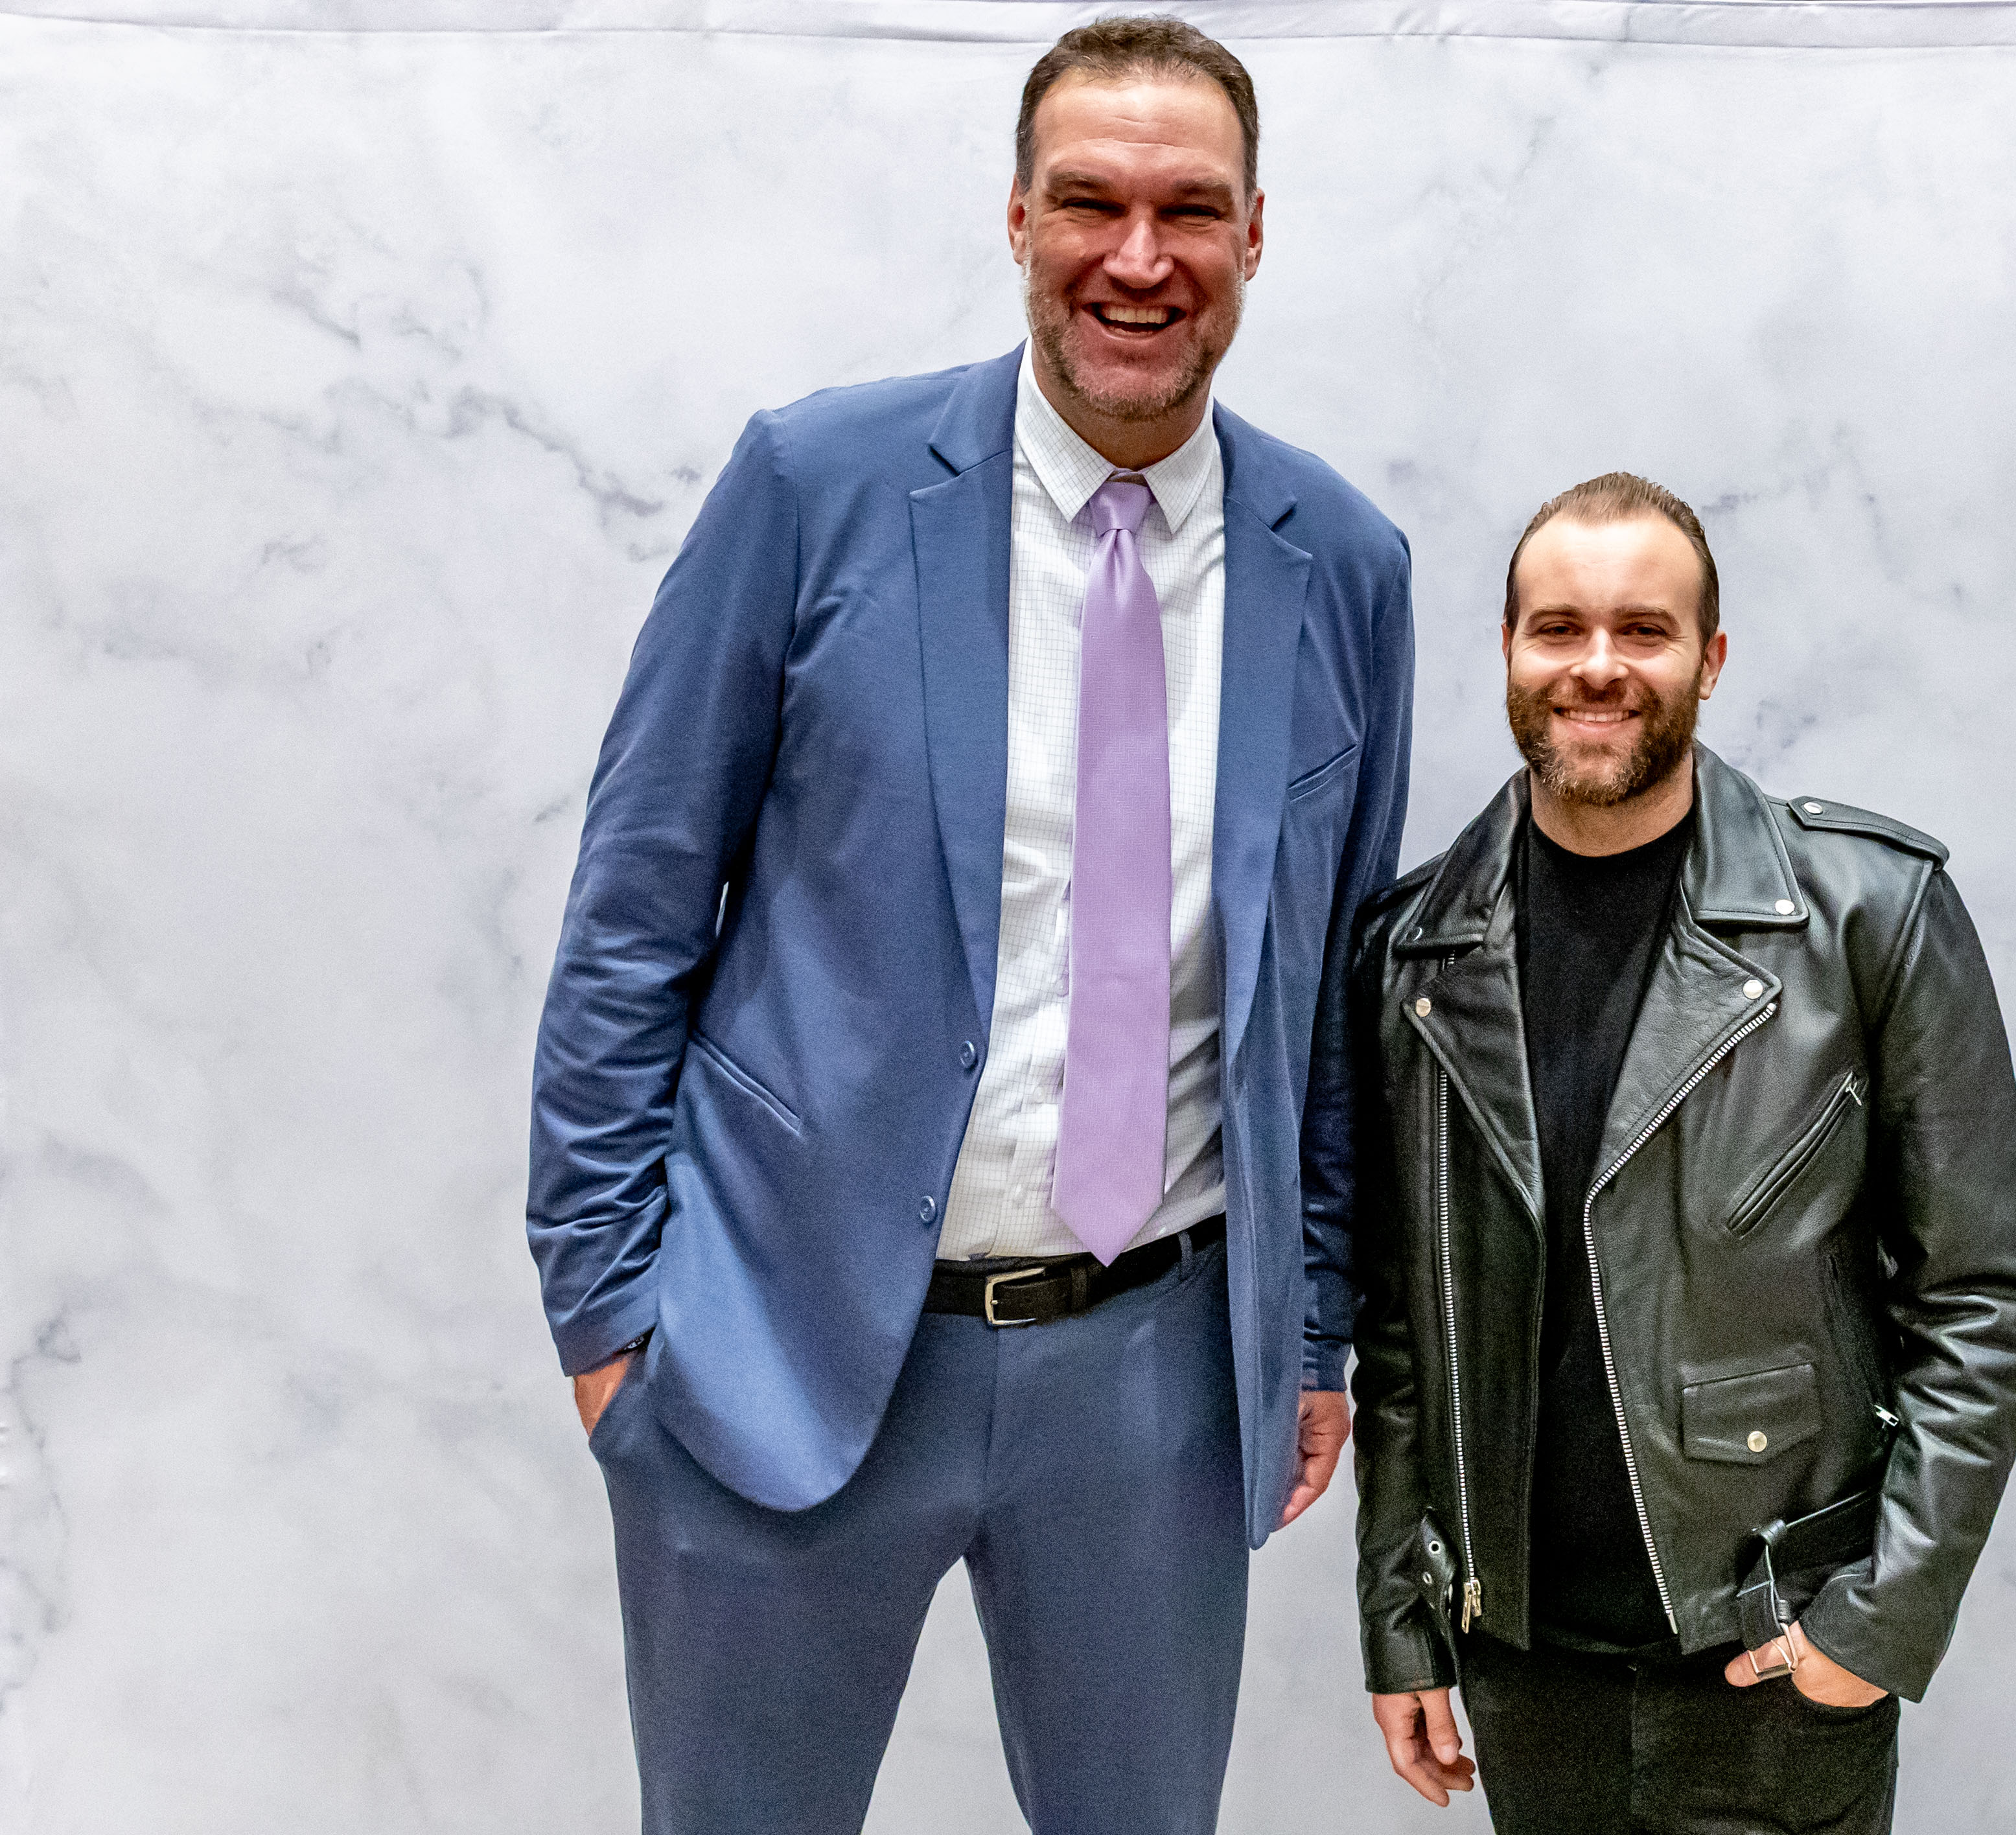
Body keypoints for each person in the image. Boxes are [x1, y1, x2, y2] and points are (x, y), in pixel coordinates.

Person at [524, 19, 1412, 1833]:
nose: (1139, 258)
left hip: (1156, 1384)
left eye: (1191, 210)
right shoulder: (814, 487)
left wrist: (1314, 1331)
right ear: (1018, 218)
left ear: (1257, 235)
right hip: (777, 1346)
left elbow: (1331, 1004)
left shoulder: (1345, 565)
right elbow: (633, 913)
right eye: (1090, 202)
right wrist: (615, 1321)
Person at [1347, 474, 2016, 1832]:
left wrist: (1882, 1620)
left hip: (1775, 1658)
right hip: (1520, 1670)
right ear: (1508, 652)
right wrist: (1399, 1619)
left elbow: (1982, 1296)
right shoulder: (1414, 952)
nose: (1598, 667)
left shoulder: (1870, 917)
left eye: (1644, 631)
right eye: (1559, 629)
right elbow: (1400, 1329)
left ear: (1710, 660)